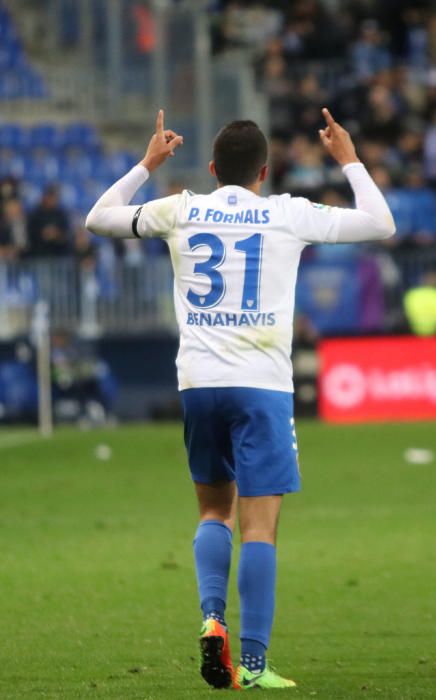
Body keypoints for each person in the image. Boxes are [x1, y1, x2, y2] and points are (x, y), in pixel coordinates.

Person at [86, 108, 396, 690]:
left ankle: (211, 618)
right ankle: (252, 665)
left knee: (212, 511)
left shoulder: (180, 206)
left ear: (210, 168)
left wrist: (148, 165)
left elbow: (98, 219)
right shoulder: (287, 213)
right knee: (260, 528)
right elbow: (381, 224)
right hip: (262, 386)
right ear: (264, 171)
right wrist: (348, 158)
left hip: (199, 384)